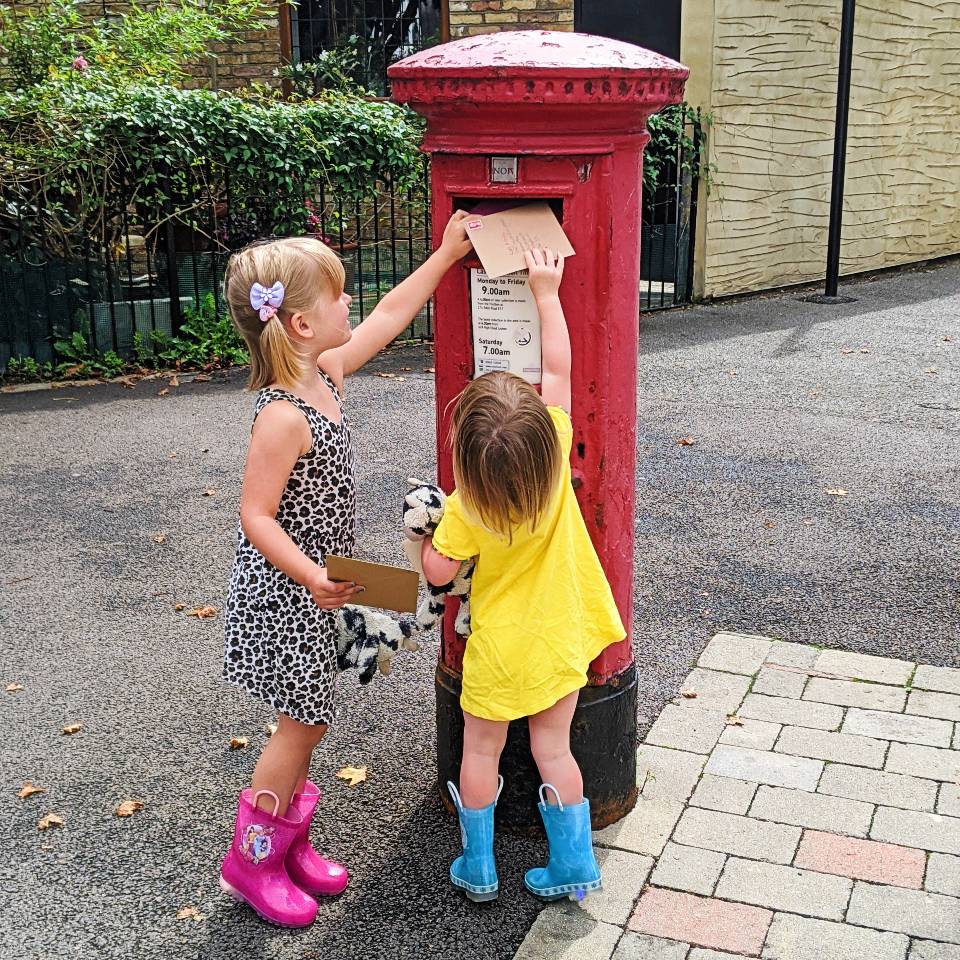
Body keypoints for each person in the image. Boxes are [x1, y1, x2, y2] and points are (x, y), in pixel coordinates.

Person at [218, 212, 472, 927]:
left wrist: (447, 255)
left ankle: (289, 844)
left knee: (314, 719)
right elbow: (256, 515)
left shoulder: (325, 371)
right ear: (299, 323)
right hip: (291, 590)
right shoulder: (283, 416)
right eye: (337, 295)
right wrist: (309, 576)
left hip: (327, 577)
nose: (350, 304)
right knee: (301, 723)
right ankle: (251, 861)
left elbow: (391, 315)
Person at [420, 248, 625, 903]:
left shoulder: (466, 506)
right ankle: (574, 864)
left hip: (501, 649)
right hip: (563, 633)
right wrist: (546, 290)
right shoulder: (556, 457)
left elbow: (436, 571)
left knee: (479, 753)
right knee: (553, 750)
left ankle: (478, 868)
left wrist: (426, 536)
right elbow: (559, 370)